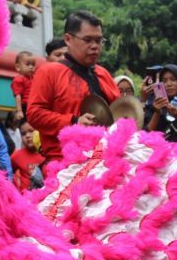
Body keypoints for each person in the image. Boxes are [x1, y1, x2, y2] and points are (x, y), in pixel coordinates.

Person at [27, 10, 120, 163]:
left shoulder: (104, 74)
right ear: (68, 39)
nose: (95, 46)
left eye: (98, 40)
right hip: (64, 162)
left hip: (106, 159)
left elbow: (118, 111)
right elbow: (34, 114)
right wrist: (74, 122)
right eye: (88, 40)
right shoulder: (49, 71)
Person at [11, 121, 45, 192]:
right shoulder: (16, 156)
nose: (27, 136)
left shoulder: (47, 153)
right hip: (27, 199)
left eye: (31, 131)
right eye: (23, 134)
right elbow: (8, 174)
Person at [12, 51, 36, 122]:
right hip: (25, 106)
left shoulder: (34, 78)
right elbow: (18, 96)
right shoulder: (19, 79)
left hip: (34, 105)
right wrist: (19, 111)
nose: (31, 67)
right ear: (18, 67)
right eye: (28, 64)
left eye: (33, 65)